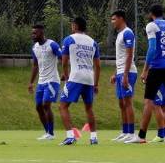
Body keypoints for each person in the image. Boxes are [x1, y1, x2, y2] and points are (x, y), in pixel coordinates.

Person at [132, 3, 165, 144]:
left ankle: (142, 136)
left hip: (157, 67)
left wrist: (145, 70)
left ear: (151, 14)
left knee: (149, 100)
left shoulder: (151, 26)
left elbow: (152, 48)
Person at [57, 16, 100, 145]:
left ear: (75, 26)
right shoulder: (93, 42)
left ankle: (70, 136)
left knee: (63, 106)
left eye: (72, 25)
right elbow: (98, 66)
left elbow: (64, 62)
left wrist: (66, 77)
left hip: (76, 77)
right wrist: (96, 83)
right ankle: (93, 137)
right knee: (89, 108)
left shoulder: (69, 39)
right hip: (89, 78)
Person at [28, 24, 61, 140]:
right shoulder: (34, 48)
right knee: (38, 107)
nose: (33, 35)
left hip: (52, 80)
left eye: (35, 33)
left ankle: (51, 134)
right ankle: (47, 132)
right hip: (41, 82)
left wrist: (65, 73)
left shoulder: (52, 45)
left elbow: (63, 57)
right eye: (32, 33)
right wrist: (31, 82)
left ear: (41, 33)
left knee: (46, 104)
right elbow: (35, 65)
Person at [109, 10, 137, 142]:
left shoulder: (128, 33)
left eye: (114, 19)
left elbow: (129, 55)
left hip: (129, 72)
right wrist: (115, 73)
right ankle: (125, 131)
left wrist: (125, 74)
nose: (112, 22)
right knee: (121, 103)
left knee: (128, 102)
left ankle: (132, 134)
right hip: (120, 72)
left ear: (121, 19)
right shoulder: (120, 34)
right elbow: (120, 57)